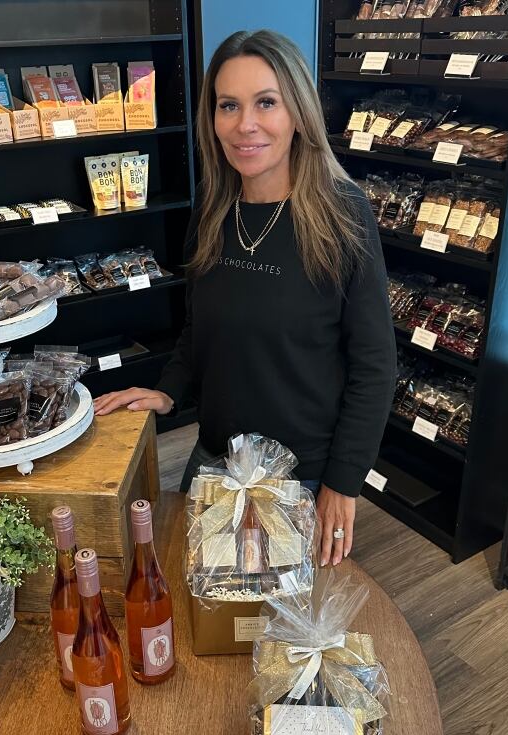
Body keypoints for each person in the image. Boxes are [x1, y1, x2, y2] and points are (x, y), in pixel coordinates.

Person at [94, 29, 396, 567]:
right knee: (201, 618)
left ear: (298, 113)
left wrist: (342, 483)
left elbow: (374, 364)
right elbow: (200, 331)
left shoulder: (343, 216)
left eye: (266, 103)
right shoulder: (212, 212)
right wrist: (168, 393)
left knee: (276, 633)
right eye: (228, 105)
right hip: (214, 461)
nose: (245, 124)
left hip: (300, 479)